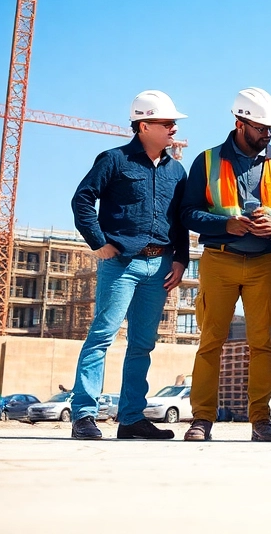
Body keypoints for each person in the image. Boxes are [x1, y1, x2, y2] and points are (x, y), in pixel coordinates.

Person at [181, 88, 271, 443]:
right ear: (239, 123)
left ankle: (261, 420)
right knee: (210, 341)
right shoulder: (206, 161)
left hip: (265, 262)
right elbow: (187, 214)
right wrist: (225, 224)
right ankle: (201, 419)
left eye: (270, 128)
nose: (267, 133)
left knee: (262, 343)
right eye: (260, 127)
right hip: (219, 259)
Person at [68, 90, 190, 440]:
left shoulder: (176, 171)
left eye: (173, 124)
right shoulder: (114, 160)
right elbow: (82, 200)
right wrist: (99, 242)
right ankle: (84, 415)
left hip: (160, 267)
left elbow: (179, 220)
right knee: (102, 336)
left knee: (142, 343)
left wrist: (180, 259)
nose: (173, 129)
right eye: (167, 123)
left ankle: (132, 418)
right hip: (121, 263)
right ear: (144, 125)